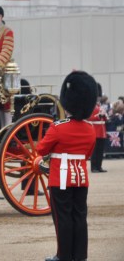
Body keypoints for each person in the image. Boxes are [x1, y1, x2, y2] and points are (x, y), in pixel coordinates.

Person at [36, 71, 97, 261]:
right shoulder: (90, 129)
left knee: (62, 218)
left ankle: (63, 255)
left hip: (60, 178)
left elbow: (41, 148)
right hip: (81, 178)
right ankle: (79, 256)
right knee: (79, 217)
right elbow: (88, 154)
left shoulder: (58, 127)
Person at [88, 83, 108, 173]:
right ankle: (94, 167)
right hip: (95, 130)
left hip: (102, 131)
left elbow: (106, 119)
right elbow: (89, 118)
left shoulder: (100, 106)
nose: (98, 99)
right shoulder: (90, 106)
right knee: (95, 151)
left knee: (100, 151)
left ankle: (99, 166)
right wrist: (99, 115)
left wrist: (105, 115)